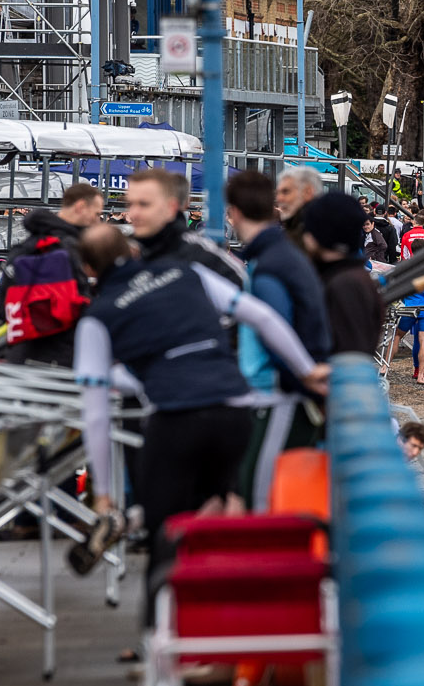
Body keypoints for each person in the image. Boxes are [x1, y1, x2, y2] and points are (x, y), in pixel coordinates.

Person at [70, 224, 326, 607]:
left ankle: (163, 635)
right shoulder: (186, 273)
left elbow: (95, 414)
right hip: (234, 411)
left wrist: (104, 497)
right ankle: (236, 624)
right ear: (133, 251)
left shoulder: (97, 317)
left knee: (167, 533)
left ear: (89, 270)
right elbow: (262, 318)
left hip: (174, 421)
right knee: (223, 515)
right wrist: (307, 371)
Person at [226, 170, 333, 505]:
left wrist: (300, 379)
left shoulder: (268, 263)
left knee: (260, 493)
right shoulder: (285, 254)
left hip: (278, 395)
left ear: (234, 212)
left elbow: (277, 327)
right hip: (286, 390)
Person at [0, 181, 102, 367]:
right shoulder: (67, 249)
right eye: (96, 214)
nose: (97, 221)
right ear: (81, 207)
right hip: (56, 358)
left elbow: (1, 309)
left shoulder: (28, 244)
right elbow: (78, 307)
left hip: (20, 350)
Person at [298, 192, 388, 356]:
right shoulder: (344, 276)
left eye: (309, 230)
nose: (305, 237)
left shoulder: (345, 283)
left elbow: (351, 355)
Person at [123, 167, 246, 286]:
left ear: (171, 207)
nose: (134, 213)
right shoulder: (121, 251)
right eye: (129, 204)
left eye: (144, 204)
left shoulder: (199, 254)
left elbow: (241, 289)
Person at [386, 240, 424, 385]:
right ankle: (421, 376)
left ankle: (383, 368)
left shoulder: (406, 267)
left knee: (397, 336)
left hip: (408, 308)